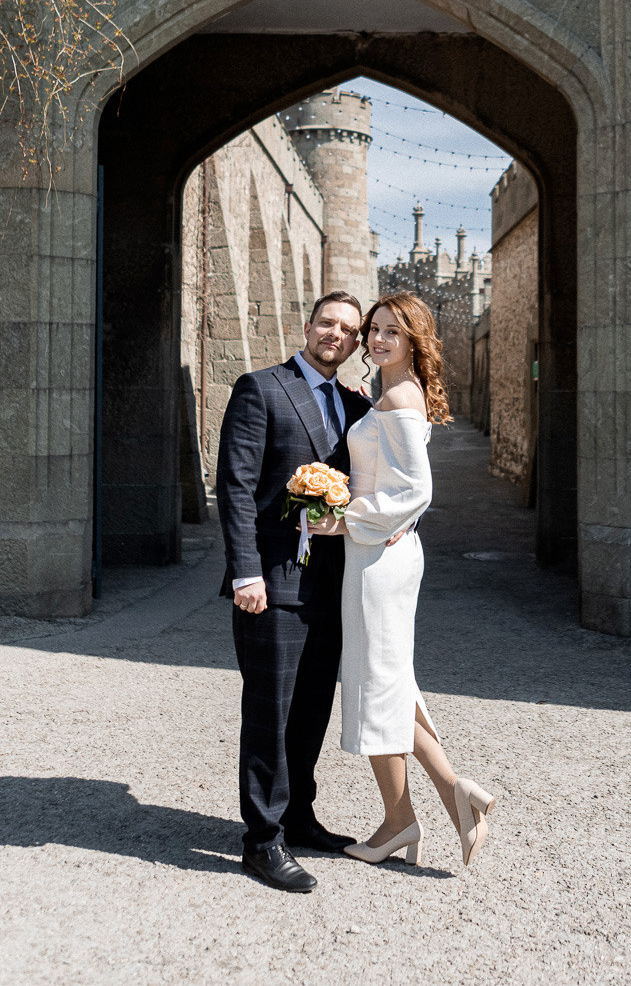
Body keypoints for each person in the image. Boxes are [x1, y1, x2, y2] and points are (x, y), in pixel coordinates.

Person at [309, 291, 496, 869]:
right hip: (383, 552)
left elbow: (418, 488)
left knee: (376, 688)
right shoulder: (388, 393)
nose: (378, 339)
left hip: (377, 558)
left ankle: (414, 815)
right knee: (390, 683)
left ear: (415, 341)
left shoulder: (399, 394)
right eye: (376, 330)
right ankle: (438, 802)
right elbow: (400, 482)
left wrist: (346, 519)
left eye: (393, 331)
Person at [216, 290, 371, 893]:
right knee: (269, 714)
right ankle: (263, 840)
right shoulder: (261, 389)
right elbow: (236, 486)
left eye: (348, 329)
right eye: (327, 323)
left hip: (334, 585)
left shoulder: (359, 407)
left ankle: (299, 816)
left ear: (356, 343)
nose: (336, 334)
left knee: (310, 711)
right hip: (273, 583)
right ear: (307, 326)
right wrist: (245, 572)